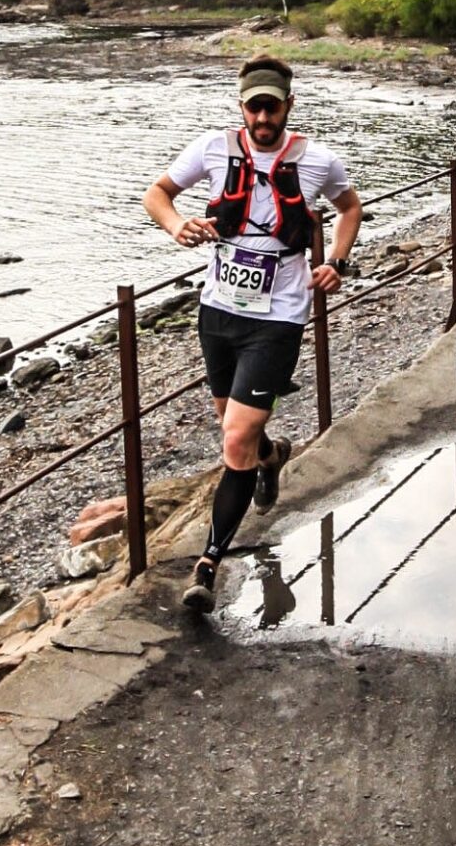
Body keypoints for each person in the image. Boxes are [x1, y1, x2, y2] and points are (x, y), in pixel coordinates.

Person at [143, 56, 364, 613]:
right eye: (254, 106)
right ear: (241, 106)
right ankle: (271, 457)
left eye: (273, 105)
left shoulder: (318, 161)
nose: (263, 115)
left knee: (233, 438)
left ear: (289, 106)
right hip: (218, 311)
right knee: (234, 428)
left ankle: (208, 565)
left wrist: (336, 260)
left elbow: (349, 207)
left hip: (279, 316)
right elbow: (157, 194)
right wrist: (177, 226)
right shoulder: (211, 149)